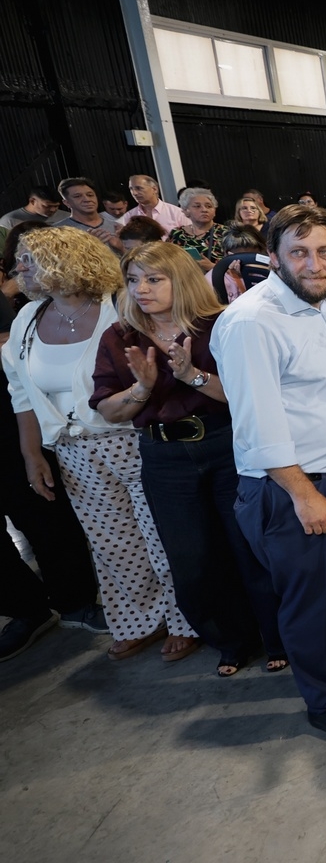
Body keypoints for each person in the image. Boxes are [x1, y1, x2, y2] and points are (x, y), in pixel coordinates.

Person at [213, 205, 326, 741]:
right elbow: (258, 423)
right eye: (299, 252)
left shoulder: (319, 304)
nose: (315, 264)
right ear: (272, 257)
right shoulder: (253, 322)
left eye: (325, 251)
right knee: (308, 601)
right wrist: (303, 493)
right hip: (294, 488)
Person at [89, 241, 284, 676]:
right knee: (192, 559)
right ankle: (231, 640)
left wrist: (191, 375)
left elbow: (248, 394)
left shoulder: (222, 324)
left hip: (227, 443)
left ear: (181, 280)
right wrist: (142, 388)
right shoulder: (119, 337)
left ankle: (277, 636)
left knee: (250, 547)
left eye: (153, 279)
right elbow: (108, 409)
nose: (141, 289)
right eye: (133, 280)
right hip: (164, 456)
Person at [4, 227, 198, 661]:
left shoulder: (120, 306)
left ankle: (187, 617)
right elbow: (21, 391)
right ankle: (143, 619)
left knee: (164, 535)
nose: (18, 269)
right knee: (113, 544)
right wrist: (31, 453)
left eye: (29, 260)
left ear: (64, 261)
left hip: (136, 439)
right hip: (73, 451)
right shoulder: (28, 318)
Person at [167, 187, 227, 264]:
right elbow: (168, 261)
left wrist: (211, 267)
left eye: (209, 206)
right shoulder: (177, 234)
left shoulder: (226, 233)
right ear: (185, 210)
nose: (204, 210)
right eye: (197, 206)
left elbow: (235, 264)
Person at [56, 178, 121, 249]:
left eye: (90, 195)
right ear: (67, 203)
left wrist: (122, 249)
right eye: (77, 196)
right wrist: (91, 245)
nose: (87, 199)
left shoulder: (117, 226)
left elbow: (128, 254)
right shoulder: (58, 231)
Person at [119, 175, 189, 234]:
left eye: (139, 188)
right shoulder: (128, 217)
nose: (134, 193)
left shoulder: (177, 213)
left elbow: (189, 239)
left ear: (154, 189)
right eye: (131, 189)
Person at [1, 186, 68, 240]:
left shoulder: (67, 216)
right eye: (47, 206)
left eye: (56, 206)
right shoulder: (9, 221)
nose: (53, 209)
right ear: (32, 201)